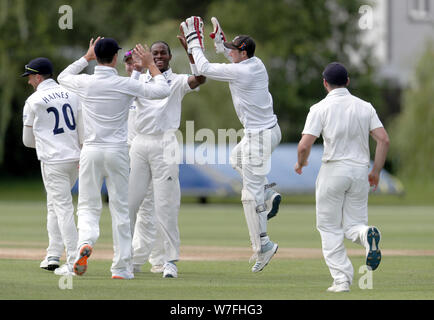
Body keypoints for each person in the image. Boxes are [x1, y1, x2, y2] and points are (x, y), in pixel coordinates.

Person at [57, 37, 170, 279]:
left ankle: (85, 243)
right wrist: (150, 65)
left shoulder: (86, 83)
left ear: (96, 57)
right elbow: (163, 90)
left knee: (88, 206)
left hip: (91, 150)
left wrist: (85, 58)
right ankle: (120, 267)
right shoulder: (123, 84)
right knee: (120, 210)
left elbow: (62, 77)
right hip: (118, 151)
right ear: (116, 58)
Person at [181, 16, 281, 272]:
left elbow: (204, 68)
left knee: (249, 196)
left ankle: (263, 245)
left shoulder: (242, 70)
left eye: (234, 50)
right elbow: (229, 54)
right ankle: (268, 191)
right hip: (264, 132)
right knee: (235, 158)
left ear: (243, 53)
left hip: (260, 137)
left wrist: (194, 41)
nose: (230, 53)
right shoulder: (254, 63)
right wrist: (222, 41)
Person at [294, 62, 389, 292]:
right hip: (359, 172)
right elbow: (383, 140)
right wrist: (375, 172)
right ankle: (367, 235)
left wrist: (300, 162)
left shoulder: (319, 108)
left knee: (329, 227)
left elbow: (304, 144)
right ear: (347, 81)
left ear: (325, 83)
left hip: (333, 170)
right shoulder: (365, 106)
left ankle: (342, 280)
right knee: (354, 225)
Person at [128, 39, 206, 278]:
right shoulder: (139, 79)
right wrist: (139, 68)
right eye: (155, 53)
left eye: (163, 53)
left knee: (166, 204)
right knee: (130, 203)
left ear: (170, 57)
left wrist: (191, 51)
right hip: (140, 143)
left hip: (165, 142)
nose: (159, 56)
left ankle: (169, 260)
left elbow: (200, 78)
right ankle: (125, 258)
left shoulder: (178, 80)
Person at [21, 57, 83, 276]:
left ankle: (75, 259)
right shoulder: (73, 96)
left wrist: (48, 142)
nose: (29, 82)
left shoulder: (34, 100)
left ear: (38, 76)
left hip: (53, 161)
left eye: (30, 77)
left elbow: (28, 141)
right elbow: (82, 133)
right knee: (54, 205)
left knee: (63, 208)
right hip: (75, 158)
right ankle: (53, 254)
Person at [123, 49, 164, 274]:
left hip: (142, 151)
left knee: (147, 206)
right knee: (128, 207)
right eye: (127, 63)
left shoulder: (147, 88)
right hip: (123, 154)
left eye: (134, 63)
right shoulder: (122, 86)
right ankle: (146, 256)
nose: (131, 66)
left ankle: (141, 259)